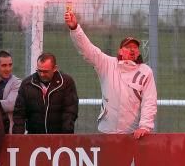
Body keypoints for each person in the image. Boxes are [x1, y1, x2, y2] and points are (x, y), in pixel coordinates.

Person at [64, 10, 157, 138]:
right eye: (128, 47)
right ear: (120, 51)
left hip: (133, 134)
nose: (132, 49)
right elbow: (88, 49)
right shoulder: (107, 64)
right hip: (106, 131)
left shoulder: (145, 71)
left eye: (135, 47)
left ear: (138, 52)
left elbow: (149, 101)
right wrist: (75, 28)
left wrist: (145, 126)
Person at [12, 53, 79, 134]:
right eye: (39, 71)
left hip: (59, 137)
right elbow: (19, 114)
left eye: (45, 71)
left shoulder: (66, 82)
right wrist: (18, 138)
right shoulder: (27, 84)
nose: (42, 74)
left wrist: (66, 136)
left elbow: (70, 111)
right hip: (34, 137)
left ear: (55, 68)